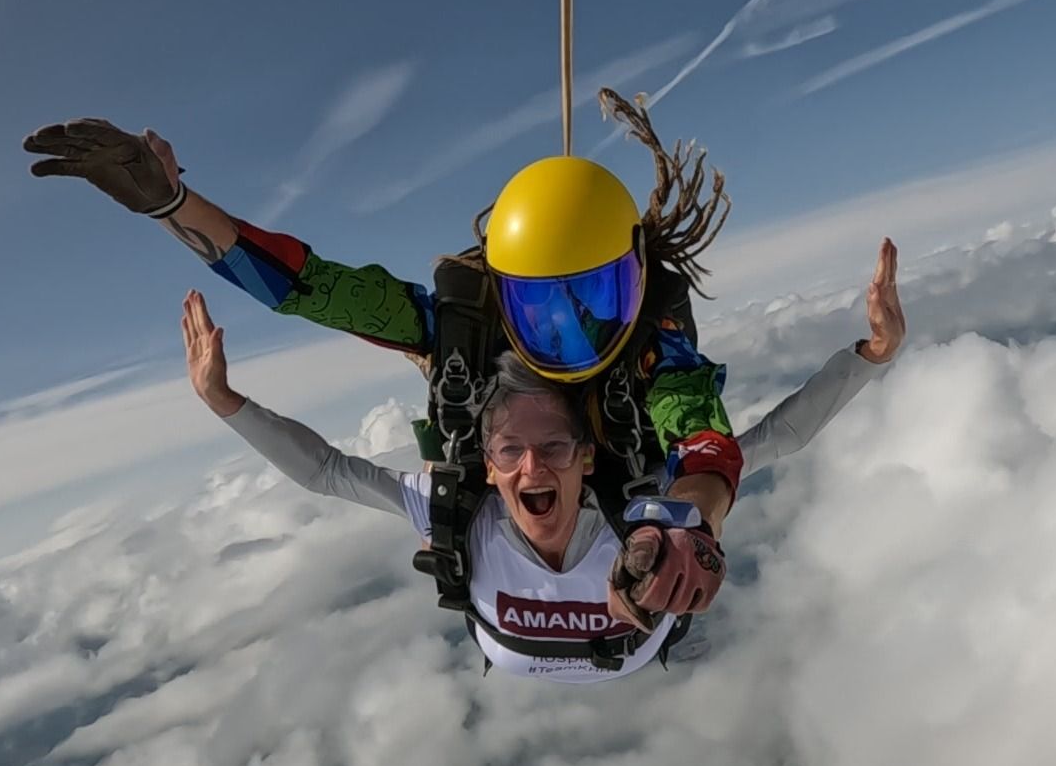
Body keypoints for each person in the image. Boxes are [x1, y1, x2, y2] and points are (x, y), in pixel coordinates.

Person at [23, 95, 905, 632]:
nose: (570, 334)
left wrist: (687, 516)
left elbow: (709, 437)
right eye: (542, 304)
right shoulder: (468, 337)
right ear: (502, 293)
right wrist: (176, 205)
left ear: (636, 287)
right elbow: (316, 288)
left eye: (597, 296)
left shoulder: (644, 360)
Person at [182, 239, 902, 680]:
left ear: (586, 460)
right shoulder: (609, 512)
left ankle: (453, 354)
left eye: (554, 449)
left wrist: (228, 404)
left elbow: (330, 474)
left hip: (529, 633)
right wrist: (871, 358)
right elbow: (779, 438)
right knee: (470, 411)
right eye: (512, 456)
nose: (532, 469)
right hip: (600, 634)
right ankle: (457, 360)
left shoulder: (584, 517)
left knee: (465, 400)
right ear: (494, 471)